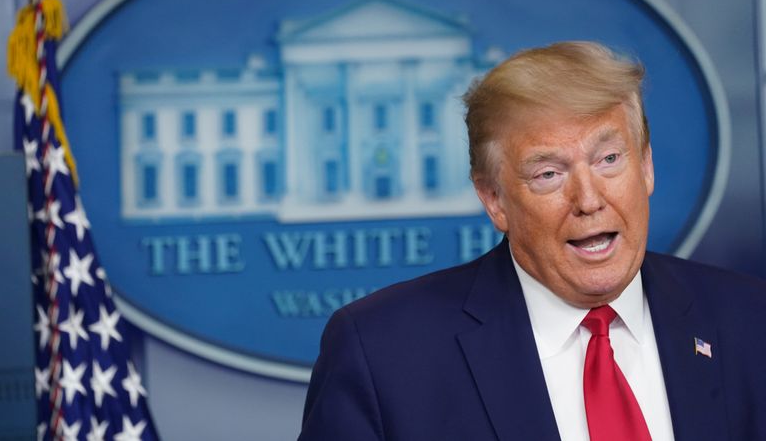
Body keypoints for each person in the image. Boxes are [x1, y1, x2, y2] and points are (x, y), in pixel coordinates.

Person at [297, 41, 766, 441]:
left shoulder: (749, 322)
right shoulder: (383, 355)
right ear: (494, 198)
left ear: (646, 166)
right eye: (548, 173)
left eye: (608, 159)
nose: (588, 199)